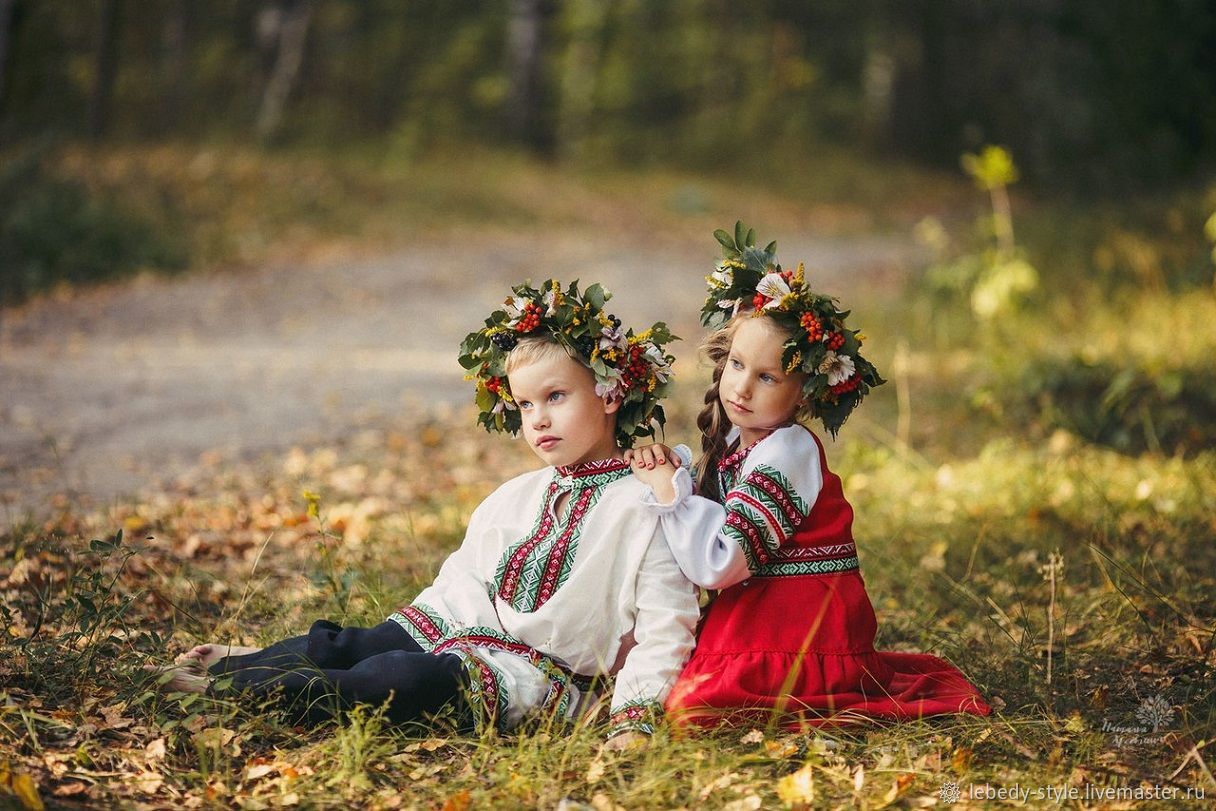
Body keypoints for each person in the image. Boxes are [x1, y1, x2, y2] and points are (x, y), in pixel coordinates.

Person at [160, 280, 700, 748]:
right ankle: (246, 662)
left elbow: (665, 626)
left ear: (609, 393)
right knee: (361, 643)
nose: (537, 420)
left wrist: (634, 719)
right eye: (525, 405)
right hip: (465, 632)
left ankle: (232, 688)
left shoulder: (646, 501)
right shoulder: (515, 496)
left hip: (536, 678)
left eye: (555, 396)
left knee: (398, 677)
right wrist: (425, 630)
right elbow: (460, 587)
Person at [627, 225, 991, 729]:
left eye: (768, 377)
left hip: (801, 631)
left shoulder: (789, 451)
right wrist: (677, 475)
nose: (743, 388)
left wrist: (671, 492)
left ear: (805, 395)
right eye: (736, 364)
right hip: (759, 615)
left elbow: (719, 563)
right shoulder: (740, 440)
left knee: (694, 708)